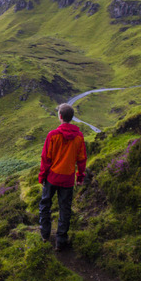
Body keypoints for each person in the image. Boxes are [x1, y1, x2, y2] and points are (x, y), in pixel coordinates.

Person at [38, 103, 87, 251]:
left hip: (52, 177)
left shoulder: (53, 135)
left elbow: (46, 158)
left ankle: (45, 235)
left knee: (45, 205)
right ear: (71, 118)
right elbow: (82, 159)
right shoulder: (79, 137)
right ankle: (61, 240)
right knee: (65, 208)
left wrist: (42, 177)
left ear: (60, 117)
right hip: (67, 179)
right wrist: (80, 177)